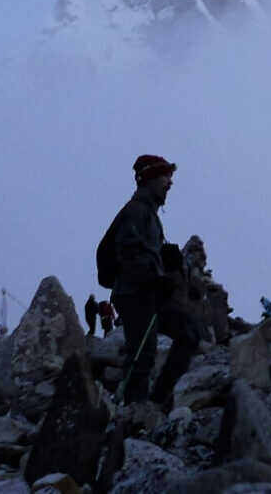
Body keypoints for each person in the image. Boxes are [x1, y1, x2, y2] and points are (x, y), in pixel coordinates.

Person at [103, 153, 197, 406]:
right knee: (142, 353)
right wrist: (157, 278)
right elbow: (130, 253)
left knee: (189, 334)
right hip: (135, 293)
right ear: (149, 179)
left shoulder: (149, 214)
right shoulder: (136, 212)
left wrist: (165, 263)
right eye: (165, 175)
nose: (170, 182)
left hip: (148, 291)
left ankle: (155, 401)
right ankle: (134, 409)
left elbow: (141, 253)